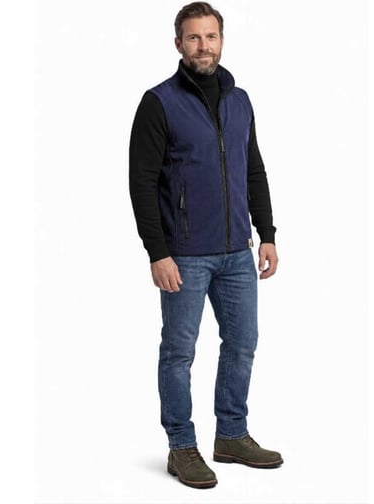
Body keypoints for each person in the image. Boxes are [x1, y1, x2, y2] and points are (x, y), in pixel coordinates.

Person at [128, 1, 282, 489]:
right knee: (179, 353)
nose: (203, 46)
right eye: (193, 38)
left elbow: (252, 169)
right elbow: (142, 182)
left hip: (238, 251)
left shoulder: (240, 100)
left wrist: (267, 234)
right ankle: (181, 446)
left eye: (210, 37)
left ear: (221, 41)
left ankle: (231, 435)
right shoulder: (159, 102)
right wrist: (158, 252)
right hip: (184, 255)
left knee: (242, 343)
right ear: (178, 44)